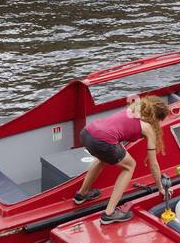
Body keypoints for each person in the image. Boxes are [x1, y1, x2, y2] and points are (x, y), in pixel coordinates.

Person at [73, 95, 172, 224]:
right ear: (156, 118)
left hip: (87, 133)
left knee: (102, 159)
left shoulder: (132, 110)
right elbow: (153, 164)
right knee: (130, 166)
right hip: (103, 141)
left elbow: (116, 130)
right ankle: (109, 213)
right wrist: (160, 187)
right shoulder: (148, 128)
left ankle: (82, 194)